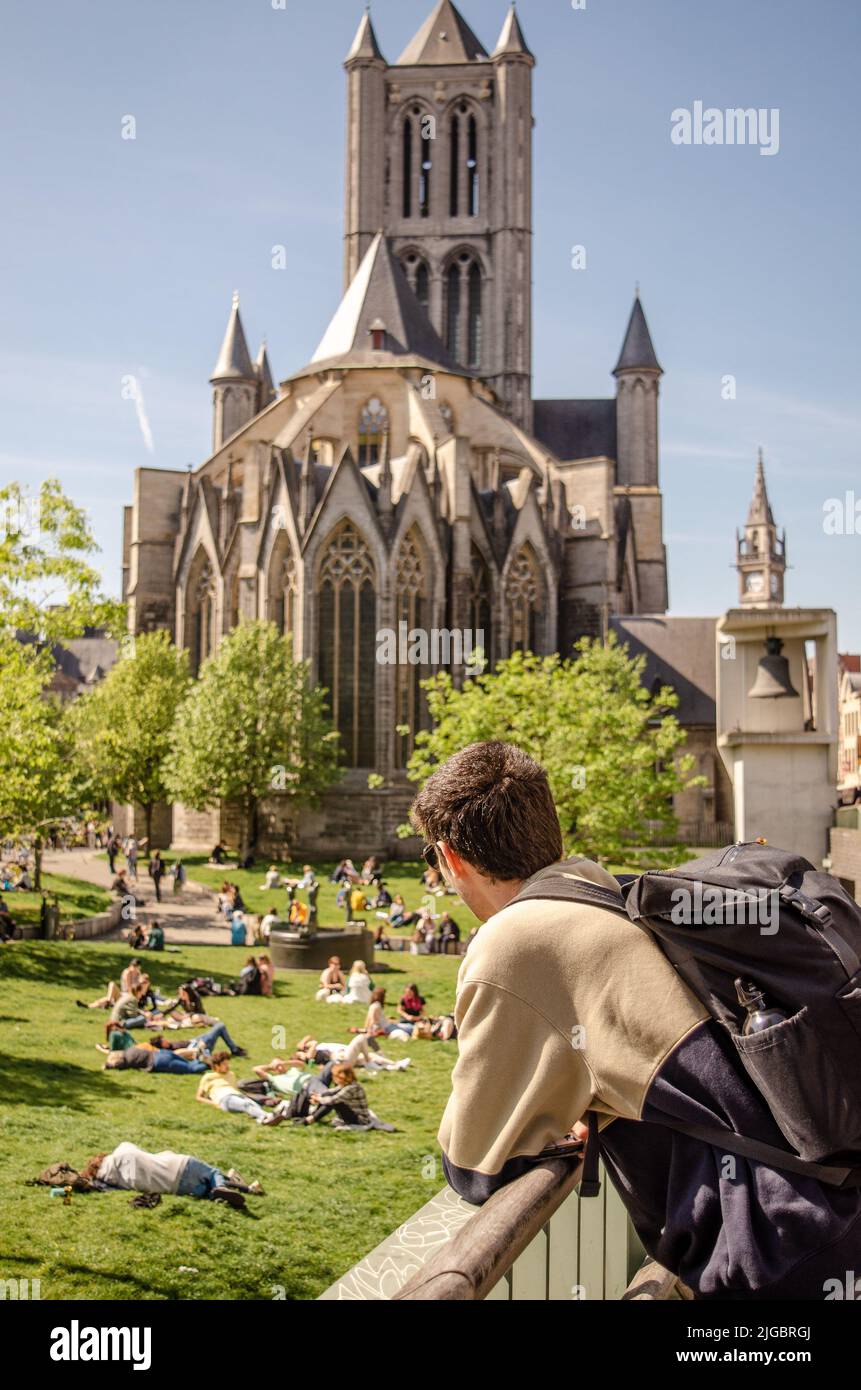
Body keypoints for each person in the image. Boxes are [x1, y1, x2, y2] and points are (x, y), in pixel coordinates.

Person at [412, 739, 861, 1302]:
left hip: (775, 1254)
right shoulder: (604, 890)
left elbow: (476, 1165)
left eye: (432, 858)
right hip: (826, 1211)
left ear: (452, 857)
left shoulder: (514, 940)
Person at [81, 1142, 263, 1205]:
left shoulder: (116, 1184)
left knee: (205, 1187)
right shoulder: (122, 1150)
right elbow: (133, 1148)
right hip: (180, 1165)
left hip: (175, 1187)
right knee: (213, 1172)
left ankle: (225, 1192)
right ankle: (224, 1186)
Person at [300, 1064, 394, 1131]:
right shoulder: (348, 1085)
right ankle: (312, 1117)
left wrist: (318, 1099)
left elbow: (334, 1100)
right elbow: (331, 1091)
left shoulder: (351, 1088)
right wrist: (319, 1096)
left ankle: (312, 1118)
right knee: (329, 1097)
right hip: (355, 1115)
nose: (333, 1079)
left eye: (335, 1076)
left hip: (359, 1120)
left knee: (335, 1102)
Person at [196, 1052, 280, 1125]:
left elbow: (234, 1089)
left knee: (253, 1105)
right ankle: (267, 1116)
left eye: (228, 1063)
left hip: (238, 1096)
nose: (227, 1066)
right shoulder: (208, 1077)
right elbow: (199, 1097)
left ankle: (262, 1119)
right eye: (224, 1064)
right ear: (216, 1066)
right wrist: (214, 1103)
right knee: (246, 1105)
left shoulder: (231, 1074)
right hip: (224, 1098)